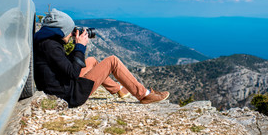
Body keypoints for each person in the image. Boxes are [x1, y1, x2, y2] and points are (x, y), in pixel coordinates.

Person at [34, 9, 169, 108]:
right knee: (112, 61)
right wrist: (80, 46)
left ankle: (118, 89)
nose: (71, 34)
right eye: (69, 31)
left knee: (92, 61)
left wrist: (76, 46)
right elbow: (73, 73)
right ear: (60, 30)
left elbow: (62, 66)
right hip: (69, 95)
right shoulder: (51, 46)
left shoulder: (47, 42)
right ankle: (144, 95)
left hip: (62, 87)